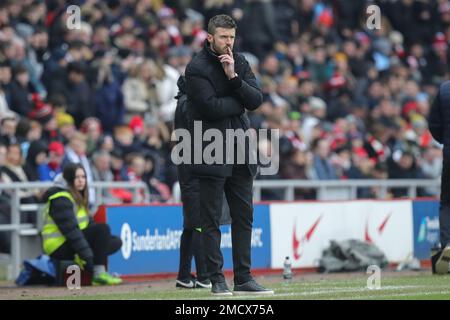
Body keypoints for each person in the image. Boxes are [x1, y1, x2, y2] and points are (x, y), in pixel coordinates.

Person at [184, 14, 273, 295]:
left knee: (243, 216)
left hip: (241, 149)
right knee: (211, 219)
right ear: (209, 37)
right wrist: (238, 102)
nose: (228, 42)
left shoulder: (241, 61)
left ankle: (244, 278)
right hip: (211, 149)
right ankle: (217, 279)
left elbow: (256, 100)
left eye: (231, 37)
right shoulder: (196, 68)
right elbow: (210, 108)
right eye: (223, 37)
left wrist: (233, 77)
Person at [41, 163, 123, 285]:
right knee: (102, 229)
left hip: (71, 242)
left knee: (115, 241)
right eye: (76, 177)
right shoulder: (60, 198)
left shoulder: (77, 196)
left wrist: (89, 252)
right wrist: (87, 258)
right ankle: (99, 274)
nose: (81, 180)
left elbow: (89, 226)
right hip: (58, 246)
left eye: (83, 177)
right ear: (68, 179)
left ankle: (97, 271)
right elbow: (72, 232)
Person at [428, 80, 450, 274]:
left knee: (447, 203)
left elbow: (433, 123)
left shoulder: (444, 89)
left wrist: (446, 140)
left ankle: (448, 245)